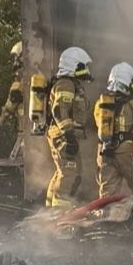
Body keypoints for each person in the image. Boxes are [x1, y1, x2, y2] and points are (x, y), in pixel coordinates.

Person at [94, 62, 133, 199]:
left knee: (108, 192)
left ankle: (107, 211)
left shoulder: (101, 103)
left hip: (105, 152)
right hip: (126, 152)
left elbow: (98, 124)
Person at [44, 46, 93, 207]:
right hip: (63, 135)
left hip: (61, 134)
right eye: (82, 66)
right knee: (71, 173)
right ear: (73, 65)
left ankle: (49, 208)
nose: (86, 69)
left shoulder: (71, 83)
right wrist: (69, 136)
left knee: (63, 171)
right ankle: (59, 212)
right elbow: (59, 110)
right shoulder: (65, 84)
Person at [0, 41, 25, 128]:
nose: (15, 60)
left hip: (25, 123)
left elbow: (14, 96)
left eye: (16, 56)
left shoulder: (20, 75)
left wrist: (2, 117)